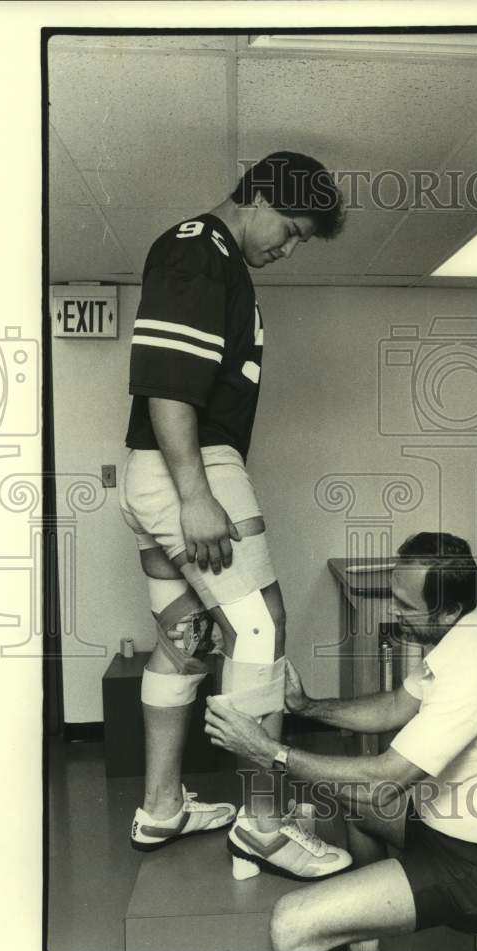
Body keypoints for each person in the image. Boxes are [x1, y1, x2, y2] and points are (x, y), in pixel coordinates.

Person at [118, 151, 352, 879]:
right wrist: (196, 494)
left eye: (301, 240)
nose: (288, 247)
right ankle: (265, 824)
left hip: (152, 471)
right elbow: (167, 382)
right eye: (289, 228)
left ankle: (161, 809)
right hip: (188, 467)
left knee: (186, 640)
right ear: (256, 197)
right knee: (258, 627)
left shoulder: (219, 263)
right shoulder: (199, 250)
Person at [204, 532, 477, 951]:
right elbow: (396, 706)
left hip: (474, 865)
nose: (394, 612)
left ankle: (364, 926)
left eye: (406, 606)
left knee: (289, 925)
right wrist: (305, 706)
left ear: (450, 608)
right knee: (348, 797)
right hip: (437, 823)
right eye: (394, 597)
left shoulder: (476, 672)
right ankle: (369, 938)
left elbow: (385, 779)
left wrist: (268, 751)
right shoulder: (471, 629)